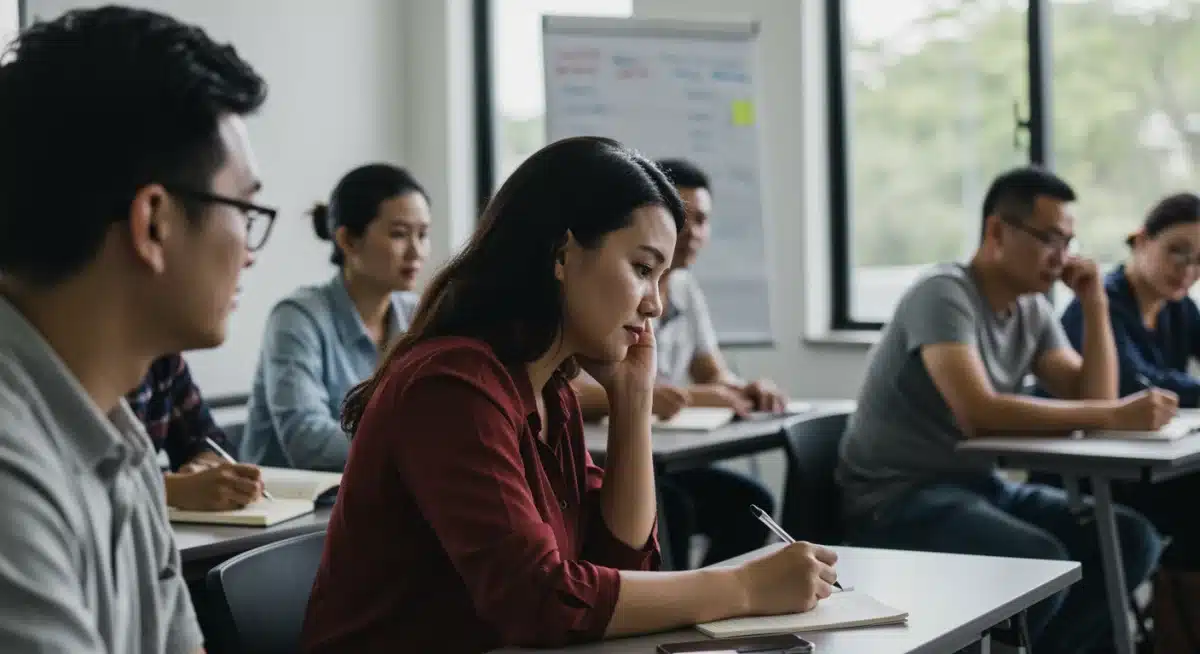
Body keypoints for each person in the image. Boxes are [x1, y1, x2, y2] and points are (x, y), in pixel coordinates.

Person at [300, 137, 839, 654]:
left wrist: (632, 401)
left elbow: (618, 569)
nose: (654, 304)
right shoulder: (453, 384)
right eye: (643, 269)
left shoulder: (548, 389)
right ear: (562, 254)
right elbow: (541, 599)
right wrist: (742, 589)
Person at [0, 6, 269, 652]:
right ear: (154, 223)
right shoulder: (12, 465)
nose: (251, 249)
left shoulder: (121, 441)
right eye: (246, 209)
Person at [836, 166, 1167, 653]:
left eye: (1070, 242)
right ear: (996, 231)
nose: (1063, 258)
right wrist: (1113, 415)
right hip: (898, 498)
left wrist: (1094, 301)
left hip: (979, 486)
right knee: (1041, 561)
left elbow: (1092, 396)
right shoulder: (944, 293)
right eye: (1050, 239)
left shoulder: (1030, 308)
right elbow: (980, 413)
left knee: (1131, 539)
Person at [572, 158, 780, 568]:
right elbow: (563, 389)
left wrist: (741, 389)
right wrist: (644, 396)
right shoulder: (600, 297)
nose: (692, 233)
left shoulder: (683, 288)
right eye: (683, 219)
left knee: (752, 500)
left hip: (653, 451)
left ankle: (711, 607)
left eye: (703, 221)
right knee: (673, 510)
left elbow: (711, 371)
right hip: (604, 454)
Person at [241, 164, 428, 470]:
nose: (417, 251)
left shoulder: (416, 314)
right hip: (294, 510)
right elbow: (307, 443)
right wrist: (415, 446)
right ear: (348, 241)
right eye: (399, 234)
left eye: (423, 234)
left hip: (372, 499)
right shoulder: (297, 317)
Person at [1052, 191, 1200, 570]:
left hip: (1153, 470)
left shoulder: (1180, 308)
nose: (1188, 269)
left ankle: (1174, 623)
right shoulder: (1101, 304)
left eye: (1199, 260)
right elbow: (1132, 387)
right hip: (1089, 475)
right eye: (1177, 251)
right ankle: (1174, 625)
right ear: (1141, 240)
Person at [128, 353, 262, 511]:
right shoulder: (97, 370)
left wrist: (203, 466)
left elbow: (209, 439)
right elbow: (96, 485)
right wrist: (172, 490)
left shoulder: (167, 362)